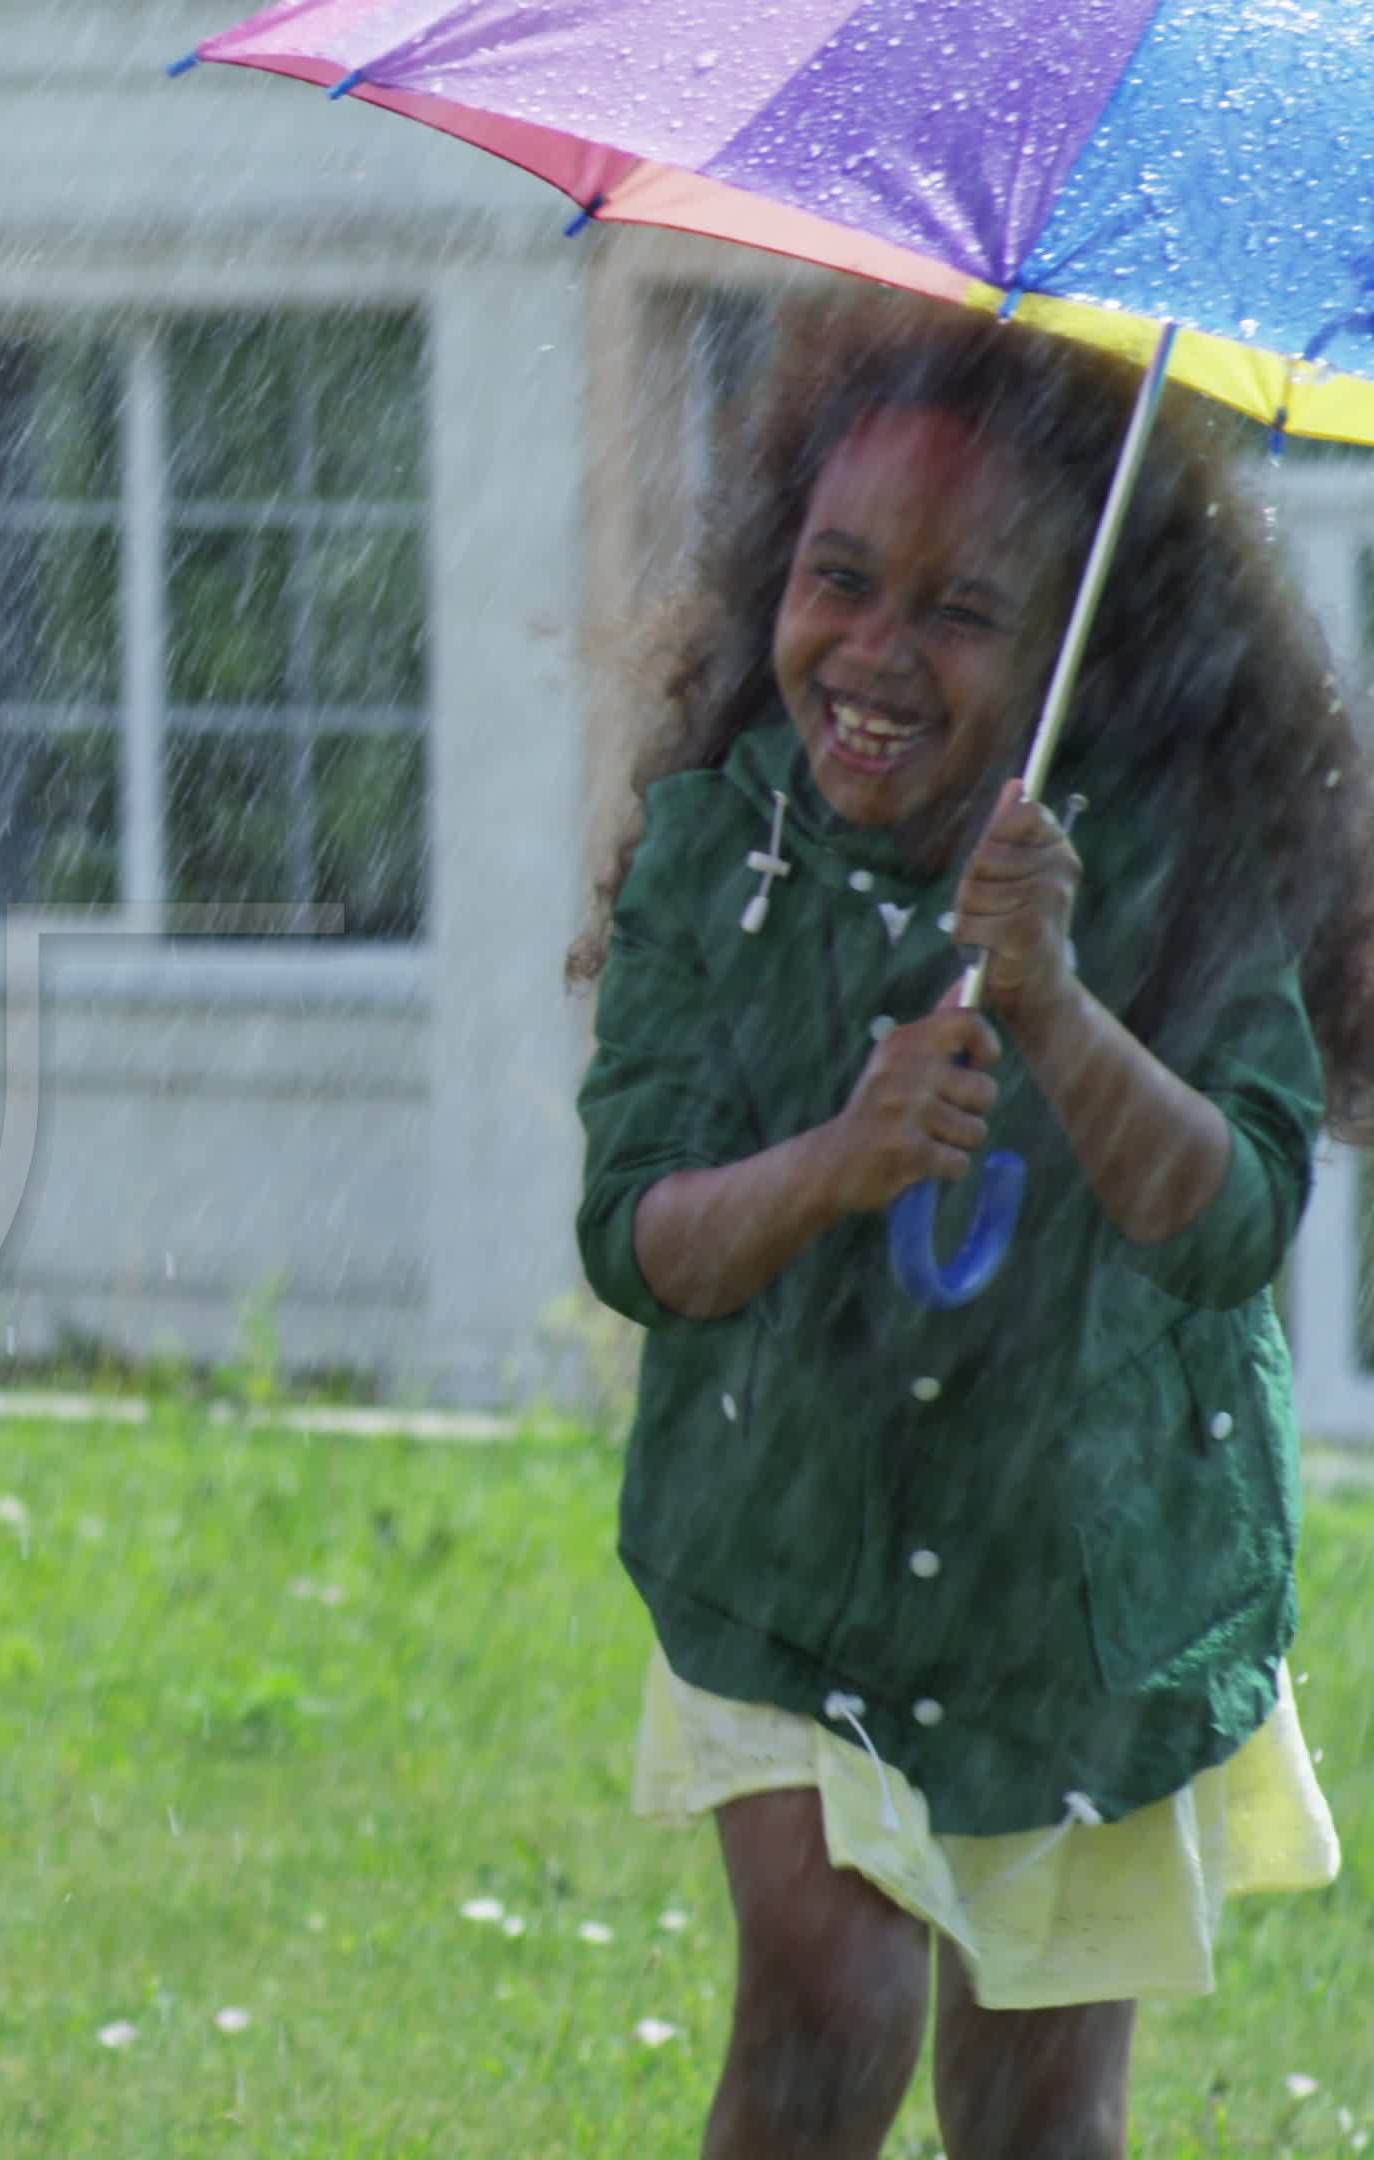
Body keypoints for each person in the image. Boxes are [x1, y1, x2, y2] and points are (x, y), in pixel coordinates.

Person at [572, 292, 1354, 2159]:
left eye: (961, 610)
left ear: (1087, 641)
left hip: (1086, 1602)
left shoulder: (1178, 855)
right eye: (838, 579)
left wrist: (1065, 1008)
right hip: (794, 1554)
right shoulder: (721, 846)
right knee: (830, 2015)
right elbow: (638, 1237)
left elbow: (1232, 1220)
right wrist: (836, 1162)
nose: (874, 651)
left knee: (1035, 2118)